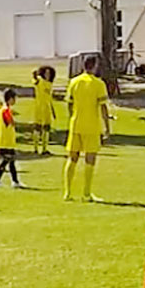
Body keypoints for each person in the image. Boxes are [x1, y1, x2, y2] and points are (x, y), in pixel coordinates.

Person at [61, 56, 112, 202]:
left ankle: (68, 192)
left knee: (72, 158)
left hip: (76, 124)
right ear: (94, 66)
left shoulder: (74, 82)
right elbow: (103, 107)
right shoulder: (98, 84)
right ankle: (86, 193)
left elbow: (69, 103)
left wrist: (72, 117)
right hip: (91, 126)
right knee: (90, 159)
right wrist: (107, 127)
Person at [0, 90, 23, 188]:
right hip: (6, 141)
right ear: (10, 99)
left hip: (6, 140)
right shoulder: (6, 110)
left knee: (11, 161)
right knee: (7, 160)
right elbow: (10, 122)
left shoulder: (1, 109)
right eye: (14, 98)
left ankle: (15, 181)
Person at [26, 66, 57, 156]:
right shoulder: (40, 81)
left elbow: (49, 99)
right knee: (37, 127)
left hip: (47, 108)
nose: (47, 75)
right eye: (46, 73)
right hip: (39, 108)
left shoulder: (50, 84)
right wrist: (35, 74)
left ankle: (44, 148)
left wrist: (53, 111)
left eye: (49, 73)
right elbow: (35, 79)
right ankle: (35, 148)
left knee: (46, 128)